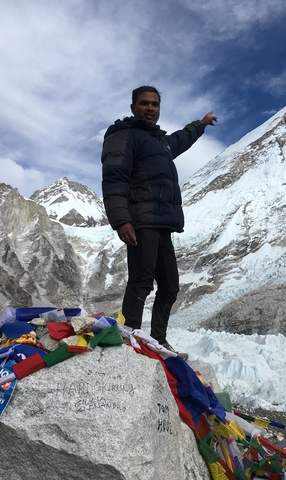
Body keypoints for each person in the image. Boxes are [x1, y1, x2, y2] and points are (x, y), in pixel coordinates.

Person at [101, 85, 217, 355]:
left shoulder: (159, 141)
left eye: (154, 104)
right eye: (144, 103)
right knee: (141, 281)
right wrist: (121, 220)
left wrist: (199, 125)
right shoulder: (125, 136)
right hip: (141, 220)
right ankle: (130, 339)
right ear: (133, 107)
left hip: (162, 222)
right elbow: (114, 178)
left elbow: (180, 140)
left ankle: (157, 340)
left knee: (170, 286)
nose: (150, 108)